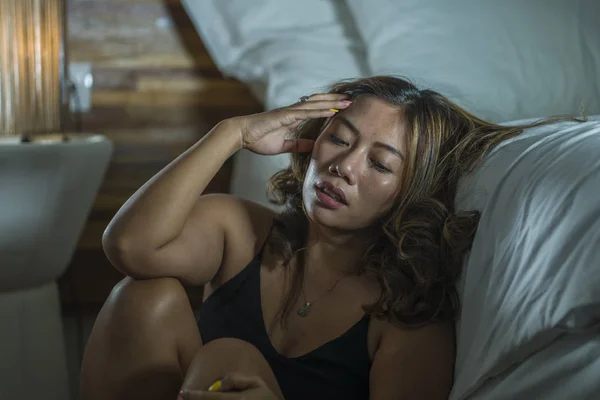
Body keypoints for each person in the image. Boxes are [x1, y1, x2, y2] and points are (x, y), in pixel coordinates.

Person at [79, 76, 564, 400]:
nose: (344, 166)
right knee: (143, 297)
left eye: (379, 164)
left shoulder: (406, 316)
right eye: (340, 138)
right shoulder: (240, 231)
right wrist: (233, 133)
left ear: (410, 193)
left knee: (228, 358)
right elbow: (129, 247)